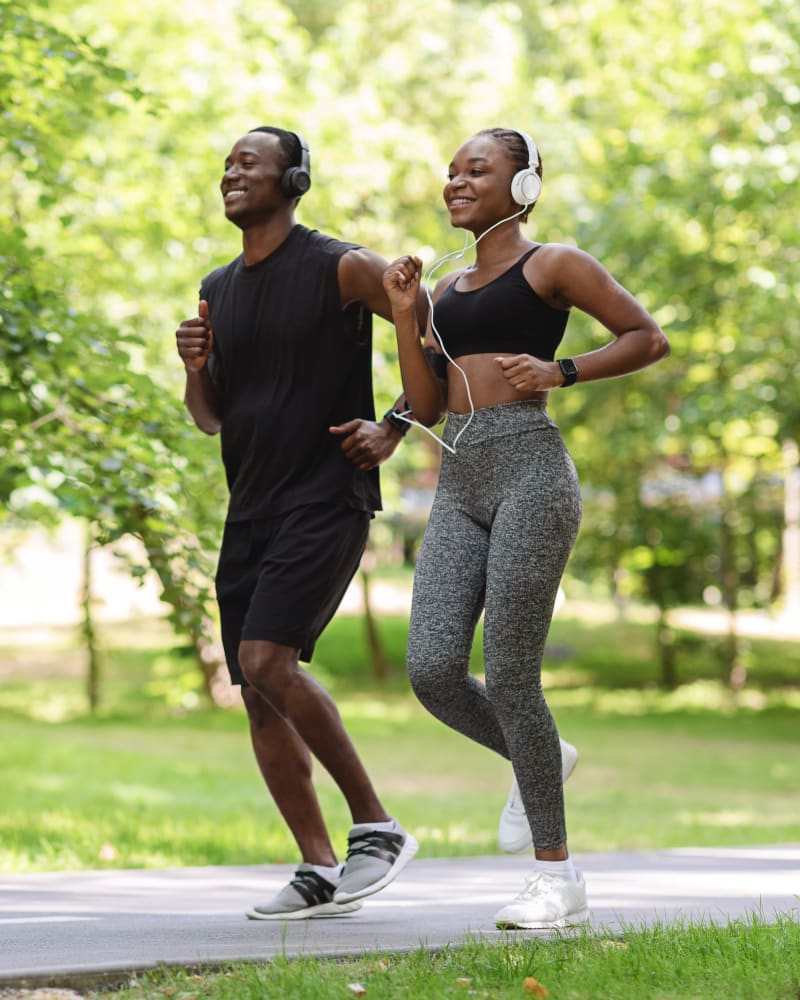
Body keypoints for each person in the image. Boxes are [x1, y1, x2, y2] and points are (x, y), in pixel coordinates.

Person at [382, 127, 670, 929]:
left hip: (532, 474)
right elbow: (430, 404)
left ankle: (559, 881)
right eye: (450, 172)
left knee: (512, 675)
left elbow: (648, 336)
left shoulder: (555, 264)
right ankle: (539, 753)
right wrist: (406, 316)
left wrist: (563, 370)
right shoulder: (442, 292)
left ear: (523, 186)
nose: (456, 182)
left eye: (477, 169)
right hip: (460, 479)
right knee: (432, 668)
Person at [175, 126, 422, 921]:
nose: (231, 174)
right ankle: (317, 869)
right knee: (256, 691)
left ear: (297, 178)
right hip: (249, 506)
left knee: (265, 659)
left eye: (249, 162)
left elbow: (432, 333)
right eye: (227, 165)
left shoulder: (340, 266)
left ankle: (377, 828)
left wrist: (396, 424)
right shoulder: (219, 285)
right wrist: (191, 368)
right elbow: (211, 418)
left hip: (326, 494)